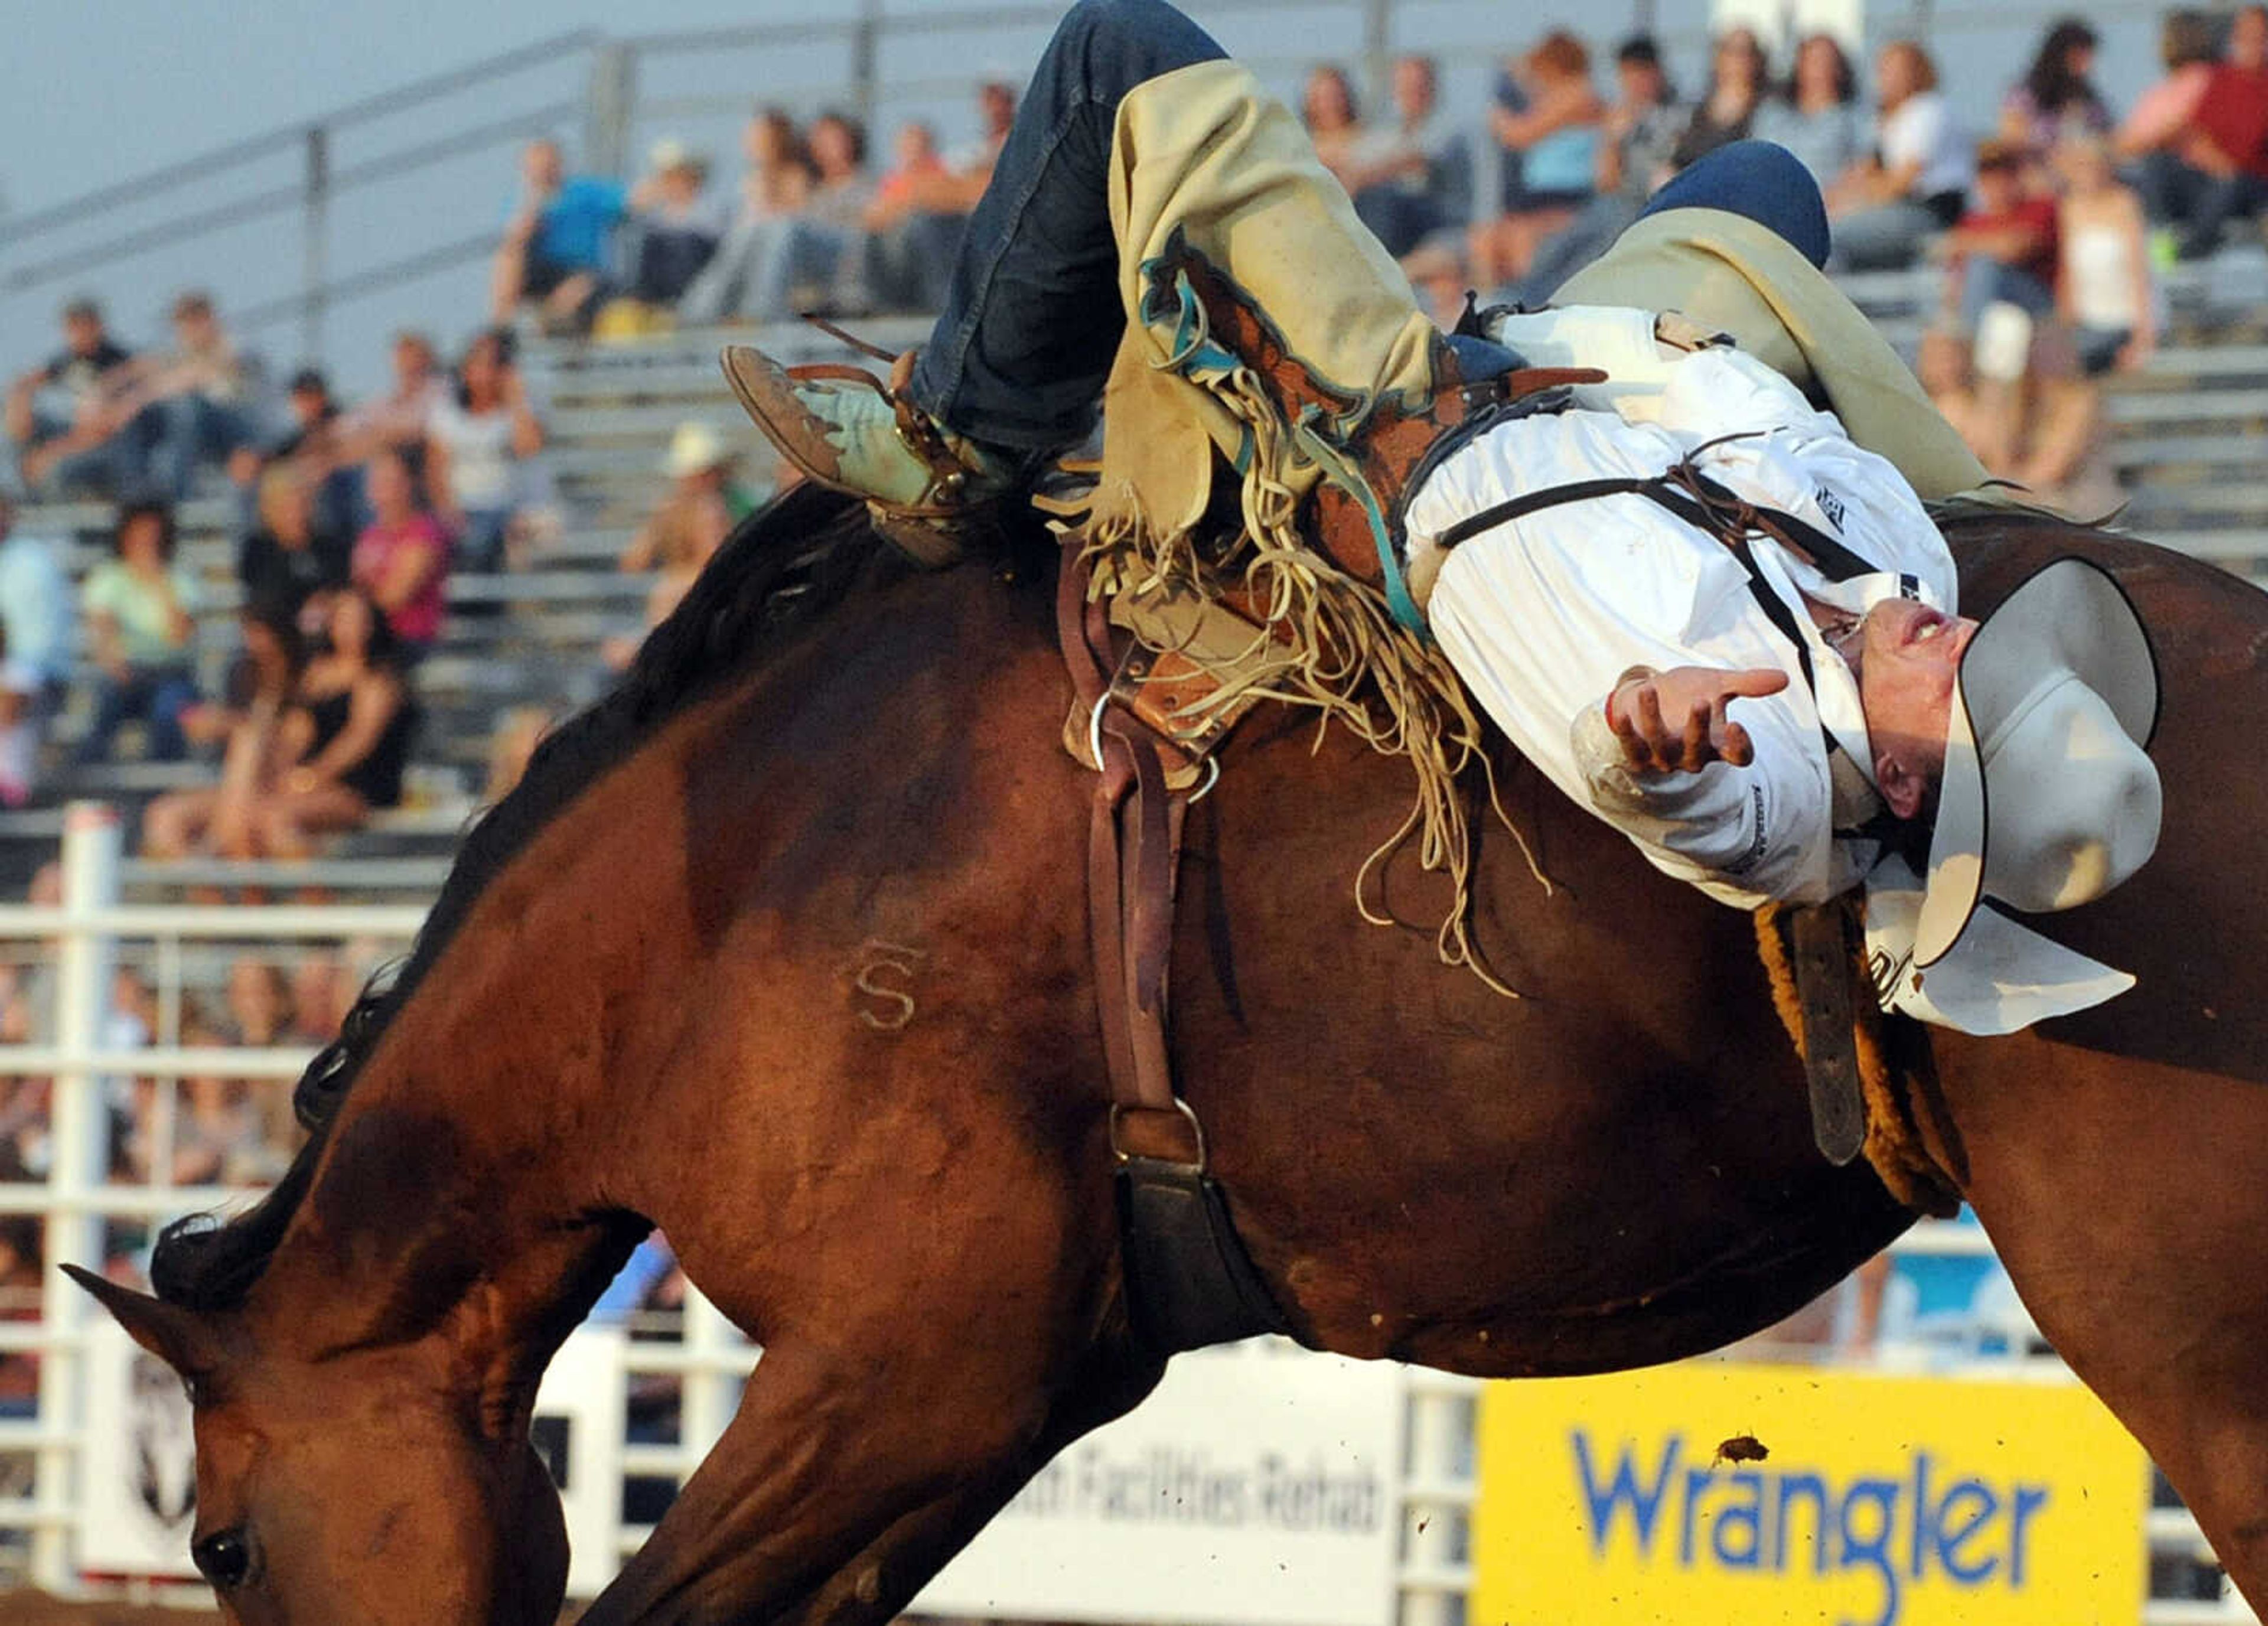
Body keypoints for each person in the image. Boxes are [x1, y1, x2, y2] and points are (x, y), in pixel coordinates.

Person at [721, 0, 2162, 1035]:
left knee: (1125, 53)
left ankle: (955, 444)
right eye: (1990, 637)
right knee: (1766, 182)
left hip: (1416, 422)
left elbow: (1703, 815)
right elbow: (1781, 466)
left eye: (1966, 674)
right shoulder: (1901, 579)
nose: (1964, 623)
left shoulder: (1781, 777)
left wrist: (1650, 735)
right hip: (1618, 366)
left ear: (1903, 787)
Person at [1510, 35, 1684, 305]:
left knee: (1589, 249)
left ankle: (1550, 304)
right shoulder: (1619, 116)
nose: (1635, 84)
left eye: (1642, 73)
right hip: (1611, 201)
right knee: (1557, 247)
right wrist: (1614, 140)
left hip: (1646, 205)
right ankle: (1528, 304)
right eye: (1629, 75)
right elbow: (1606, 180)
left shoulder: (1679, 115)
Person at [141, 599, 307, 859]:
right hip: (240, 786)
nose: (255, 643)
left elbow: (295, 737)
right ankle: (202, 882)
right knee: (164, 816)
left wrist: (234, 725)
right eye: (250, 633)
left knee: (248, 739)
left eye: (260, 633)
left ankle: (217, 844)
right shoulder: (242, 675)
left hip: (280, 777)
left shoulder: (305, 679)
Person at [2130, 4, 2268, 260]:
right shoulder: (2221, 78)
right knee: (2156, 164)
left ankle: (2189, 253)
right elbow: (2194, 128)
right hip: (2209, 171)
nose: (2251, 45)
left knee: (2233, 184)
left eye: (2259, 38)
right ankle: (2164, 238)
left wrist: (2221, 164)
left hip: (2248, 182)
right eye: (2243, 37)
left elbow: (2250, 147)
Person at [1471, 32, 1605, 288]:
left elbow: (1521, 134)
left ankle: (1527, 303)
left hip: (1567, 196)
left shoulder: (1579, 94)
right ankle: (1488, 306)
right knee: (1485, 239)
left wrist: (1499, 116)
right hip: (1538, 194)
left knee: (1523, 242)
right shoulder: (1551, 98)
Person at [1827, 41, 1972, 271]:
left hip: (1928, 212)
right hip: (1895, 209)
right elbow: (1863, 172)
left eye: (1899, 69)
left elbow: (1903, 181)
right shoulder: (1887, 118)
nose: (1890, 78)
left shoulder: (1929, 110)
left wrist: (1854, 203)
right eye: (1885, 69)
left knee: (1832, 238)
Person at [76, 503, 199, 765]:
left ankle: (162, 785)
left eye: (154, 535)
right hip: (126, 674)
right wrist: (116, 663)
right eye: (140, 535)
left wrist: (159, 583)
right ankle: (88, 777)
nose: (147, 542)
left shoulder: (181, 579)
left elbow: (180, 636)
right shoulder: (108, 578)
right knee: (104, 708)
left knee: (169, 714)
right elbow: (103, 630)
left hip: (172, 674)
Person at [425, 329, 545, 583]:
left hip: (511, 508)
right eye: (478, 366)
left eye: (493, 366)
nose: (485, 374)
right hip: (465, 509)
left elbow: (530, 448)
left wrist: (516, 398)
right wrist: (448, 510)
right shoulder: (447, 415)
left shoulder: (519, 411)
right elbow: (436, 473)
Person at [677, 109, 815, 325]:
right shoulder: (751, 178)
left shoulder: (795, 175)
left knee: (764, 232)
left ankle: (750, 311)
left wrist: (767, 179)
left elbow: (793, 218)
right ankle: (700, 311)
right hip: (745, 257)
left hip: (782, 258)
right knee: (741, 238)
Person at [5, 298, 141, 499]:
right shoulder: (67, 359)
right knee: (14, 426)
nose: (78, 334)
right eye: (72, 327)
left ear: (97, 326)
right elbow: (31, 381)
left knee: (61, 469)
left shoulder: (118, 362)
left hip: (103, 447)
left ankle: (36, 492)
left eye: (83, 325)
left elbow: (104, 428)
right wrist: (21, 398)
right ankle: (23, 489)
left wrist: (51, 452)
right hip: (68, 434)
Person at [490, 138, 627, 331]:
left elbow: (630, 200)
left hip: (582, 272)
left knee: (580, 284)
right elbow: (514, 242)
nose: (543, 171)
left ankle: (552, 320)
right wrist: (533, 208)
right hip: (541, 272)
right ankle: (500, 327)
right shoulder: (520, 202)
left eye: (548, 165)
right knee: (508, 257)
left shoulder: (584, 192)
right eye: (536, 166)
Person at [2056, 136, 2158, 376]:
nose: (2088, 173)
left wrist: (2143, 334)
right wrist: (2065, 325)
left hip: (2122, 319)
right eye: (2081, 166)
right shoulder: (2068, 208)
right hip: (2085, 320)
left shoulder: (2125, 204)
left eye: (2093, 165)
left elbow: (2139, 271)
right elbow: (2066, 272)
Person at [1944, 139, 2062, 340]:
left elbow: (2016, 248)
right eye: (1988, 176)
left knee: (1985, 267)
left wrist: (1968, 243)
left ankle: (1968, 344)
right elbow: (1951, 255)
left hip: (2038, 303)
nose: (1996, 183)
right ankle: (1961, 346)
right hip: (1988, 306)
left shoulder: (2040, 208)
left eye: (2004, 175)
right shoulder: (1972, 221)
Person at [351, 447, 449, 659]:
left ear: (408, 483)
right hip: (370, 637)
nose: (379, 486)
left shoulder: (423, 534)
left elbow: (397, 595)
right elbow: (358, 585)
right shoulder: (369, 535)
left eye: (388, 479)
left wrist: (351, 608)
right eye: (376, 479)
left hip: (408, 640)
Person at [236, 464, 351, 618]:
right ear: (270, 508)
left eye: (303, 502)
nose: (298, 512)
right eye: (288, 505)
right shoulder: (257, 550)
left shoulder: (330, 546)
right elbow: (266, 596)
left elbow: (340, 587)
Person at [1754, 34, 1865, 188]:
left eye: (1827, 61)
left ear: (1839, 69)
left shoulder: (1852, 119)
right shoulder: (1772, 115)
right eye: (1813, 61)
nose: (1820, 69)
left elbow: (1862, 169)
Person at [1998, 18, 2112, 154]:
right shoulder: (2024, 96)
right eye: (2079, 58)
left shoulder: (2089, 99)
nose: (2086, 67)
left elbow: (2108, 139)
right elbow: (2012, 144)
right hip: (2038, 172)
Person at [1669, 27, 1770, 174]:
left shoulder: (1769, 109)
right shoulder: (1697, 111)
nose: (1740, 59)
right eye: (1732, 51)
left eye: (1747, 51)